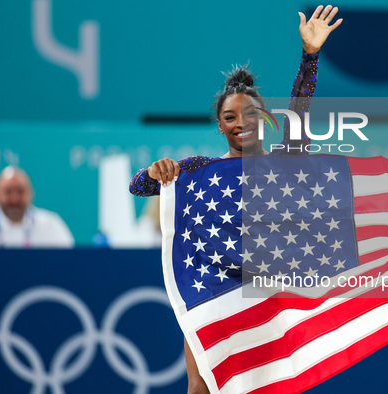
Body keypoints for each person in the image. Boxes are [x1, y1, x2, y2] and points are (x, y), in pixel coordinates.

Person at [129, 5, 341, 393]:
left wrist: (310, 56)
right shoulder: (198, 169)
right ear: (220, 125)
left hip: (267, 292)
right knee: (200, 388)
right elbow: (137, 186)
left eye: (248, 114)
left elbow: (301, 109)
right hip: (212, 290)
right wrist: (153, 172)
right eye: (229, 117)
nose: (240, 123)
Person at [0, 166, 75, 248]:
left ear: (31, 194)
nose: (14, 199)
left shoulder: (52, 226)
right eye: (8, 192)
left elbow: (69, 263)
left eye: (20, 191)